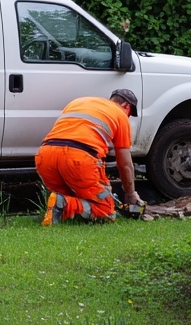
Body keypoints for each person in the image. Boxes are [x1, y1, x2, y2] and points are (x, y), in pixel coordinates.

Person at [36, 89, 143, 224]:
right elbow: (125, 164)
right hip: (78, 159)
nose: (128, 117)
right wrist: (130, 193)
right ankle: (64, 204)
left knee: (72, 195)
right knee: (106, 211)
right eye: (130, 114)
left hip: (45, 156)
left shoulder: (78, 102)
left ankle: (59, 208)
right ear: (126, 106)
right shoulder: (120, 115)